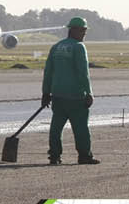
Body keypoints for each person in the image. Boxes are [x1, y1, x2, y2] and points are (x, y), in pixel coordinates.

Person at [42, 17, 99, 165]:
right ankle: (84, 155)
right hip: (76, 96)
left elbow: (48, 71)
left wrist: (46, 92)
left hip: (58, 95)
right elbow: (83, 73)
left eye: (85, 31)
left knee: (56, 127)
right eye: (82, 30)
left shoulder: (56, 47)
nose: (84, 34)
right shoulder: (79, 47)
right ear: (73, 30)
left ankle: (54, 156)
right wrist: (89, 93)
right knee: (81, 129)